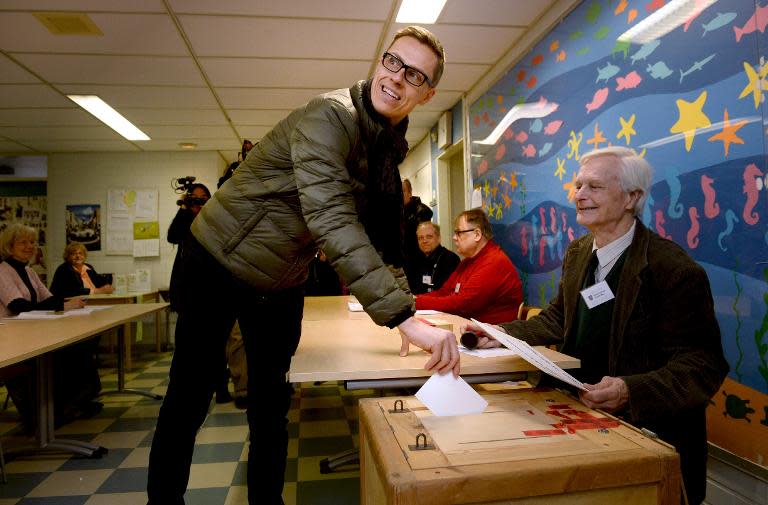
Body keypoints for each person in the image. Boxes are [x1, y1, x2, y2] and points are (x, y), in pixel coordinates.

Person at [146, 26, 458, 505]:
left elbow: (382, 240)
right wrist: (403, 317)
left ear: (427, 93)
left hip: (279, 277)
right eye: (393, 62)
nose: (396, 79)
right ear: (380, 61)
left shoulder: (384, 149)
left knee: (271, 406)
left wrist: (404, 309)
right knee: (189, 395)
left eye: (414, 75)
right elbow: (330, 215)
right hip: (215, 261)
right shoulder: (329, 117)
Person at [464, 146, 728, 505]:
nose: (579, 196)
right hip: (578, 419)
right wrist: (500, 334)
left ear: (632, 197)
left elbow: (703, 365)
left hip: (643, 435)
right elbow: (559, 317)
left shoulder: (673, 270)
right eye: (577, 186)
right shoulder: (578, 253)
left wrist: (629, 390)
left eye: (594, 187)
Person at [0, 224, 90, 428]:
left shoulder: (29, 271)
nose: (29, 246)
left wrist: (66, 303)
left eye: (32, 242)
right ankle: (41, 417)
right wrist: (63, 305)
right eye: (22, 242)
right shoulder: (2, 271)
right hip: (10, 339)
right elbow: (18, 306)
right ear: (9, 246)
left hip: (31, 332)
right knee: (59, 357)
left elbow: (49, 298)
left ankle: (64, 407)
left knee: (74, 350)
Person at [416, 208, 522, 324]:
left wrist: (416, 303)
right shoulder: (467, 261)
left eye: (459, 233)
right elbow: (444, 292)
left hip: (493, 337)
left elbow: (462, 305)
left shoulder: (494, 262)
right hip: (472, 331)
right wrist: (416, 299)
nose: (454, 237)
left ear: (477, 234)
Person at [409, 221, 459, 294]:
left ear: (439, 238)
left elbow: (448, 293)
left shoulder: (450, 259)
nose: (424, 241)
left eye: (429, 237)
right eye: (420, 238)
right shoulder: (415, 261)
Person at [50, 241, 114, 296]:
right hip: (68, 306)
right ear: (67, 256)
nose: (78, 256)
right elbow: (73, 291)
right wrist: (96, 291)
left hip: (91, 301)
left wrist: (107, 287)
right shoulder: (64, 269)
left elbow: (99, 281)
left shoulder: (88, 268)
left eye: (80, 253)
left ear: (84, 255)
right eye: (74, 254)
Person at [402, 177, 433, 289]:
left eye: (403, 191)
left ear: (410, 193)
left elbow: (422, 241)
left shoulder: (421, 211)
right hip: (403, 264)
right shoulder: (399, 212)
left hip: (417, 264)